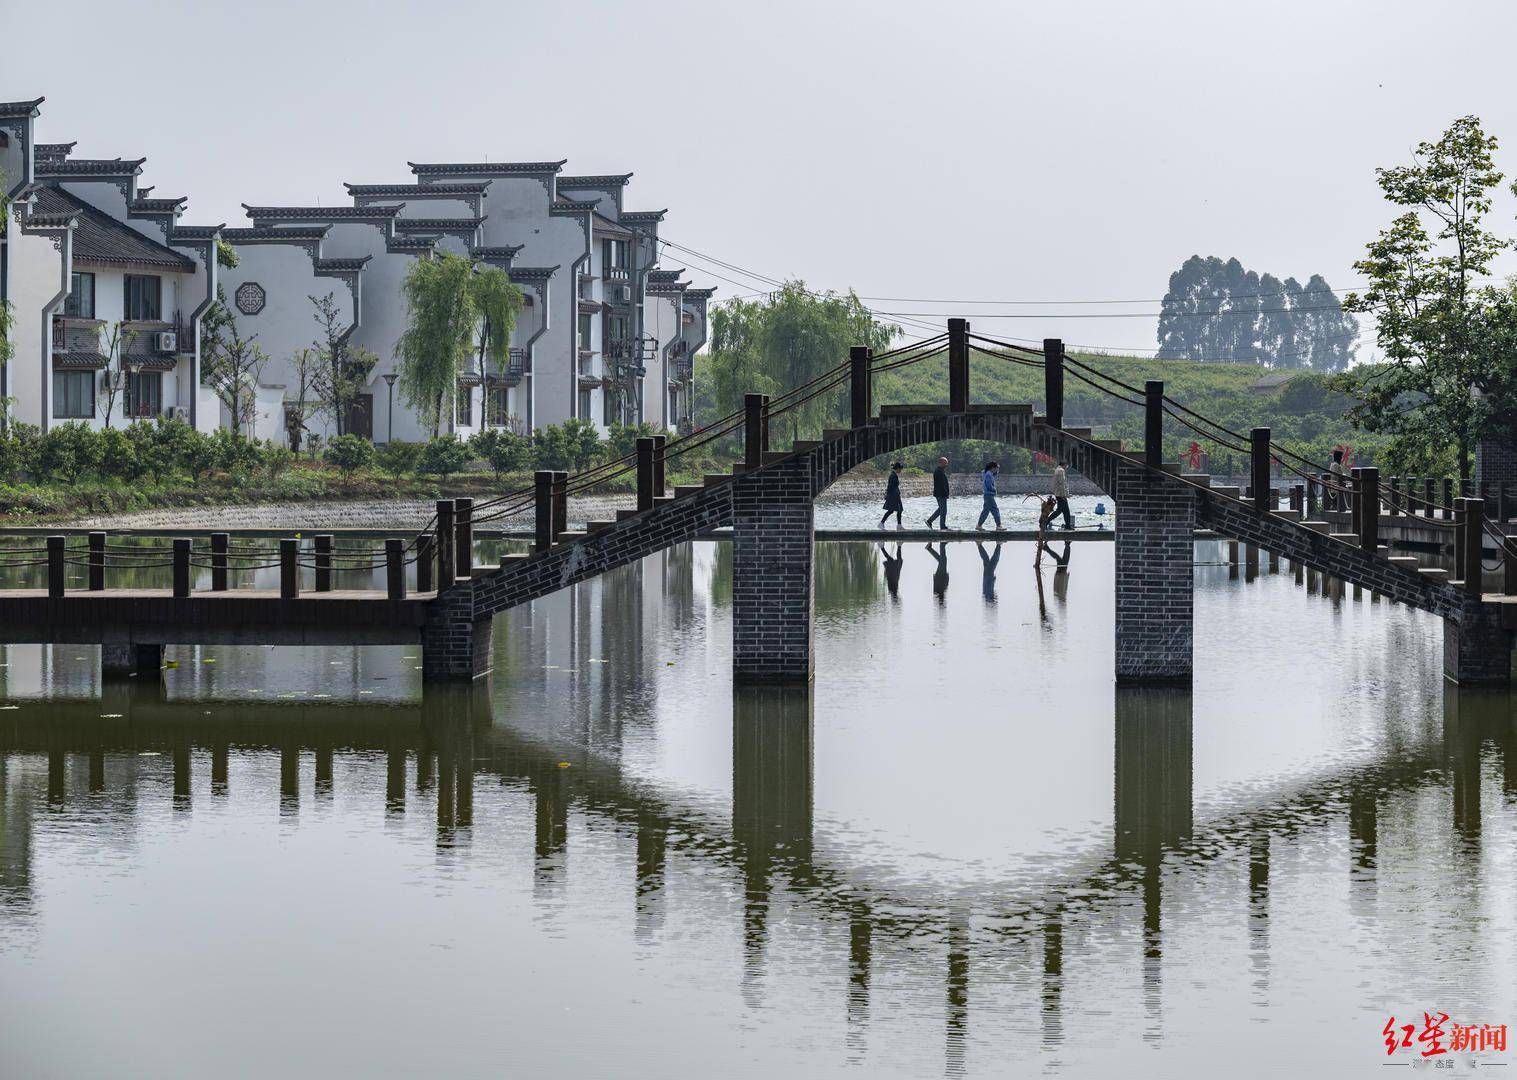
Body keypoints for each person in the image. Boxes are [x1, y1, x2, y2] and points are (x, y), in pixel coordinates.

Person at [976, 460, 1003, 531]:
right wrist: (994, 490)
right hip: (989, 495)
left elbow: (983, 472)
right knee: (995, 509)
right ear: (992, 468)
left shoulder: (986, 473)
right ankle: (999, 526)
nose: (997, 469)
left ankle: (979, 525)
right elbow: (988, 485)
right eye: (997, 468)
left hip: (987, 495)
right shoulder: (989, 474)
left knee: (986, 511)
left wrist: (996, 472)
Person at [926, 457, 950, 531]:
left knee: (940, 510)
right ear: (941, 463)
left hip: (940, 494)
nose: (946, 465)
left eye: (947, 463)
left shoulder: (940, 471)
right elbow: (941, 485)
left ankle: (929, 521)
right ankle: (942, 526)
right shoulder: (938, 472)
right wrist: (945, 494)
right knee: (943, 510)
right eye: (945, 463)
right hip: (941, 494)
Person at [879, 462, 905, 529]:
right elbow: (890, 486)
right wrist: (887, 494)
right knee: (892, 510)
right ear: (897, 468)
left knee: (898, 510)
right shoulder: (893, 476)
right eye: (900, 469)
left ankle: (899, 525)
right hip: (893, 495)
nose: (901, 471)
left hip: (895, 495)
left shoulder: (894, 475)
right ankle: (881, 523)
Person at [1052, 459, 1074, 530]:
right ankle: (1046, 521)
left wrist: (1066, 494)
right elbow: (1062, 484)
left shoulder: (1057, 470)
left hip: (1059, 494)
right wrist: (1064, 495)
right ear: (1064, 465)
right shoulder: (1061, 470)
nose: (1067, 467)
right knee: (1059, 511)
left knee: (1066, 511)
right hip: (1061, 495)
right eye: (1066, 465)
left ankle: (1068, 525)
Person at [1329, 448, 1348, 513]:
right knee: (1336, 502)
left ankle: (1336, 510)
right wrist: (1343, 475)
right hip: (1336, 487)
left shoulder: (1332, 464)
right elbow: (1337, 475)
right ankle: (1339, 511)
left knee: (1335, 502)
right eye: (1341, 457)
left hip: (1334, 486)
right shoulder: (1336, 465)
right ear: (1339, 457)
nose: (1342, 458)